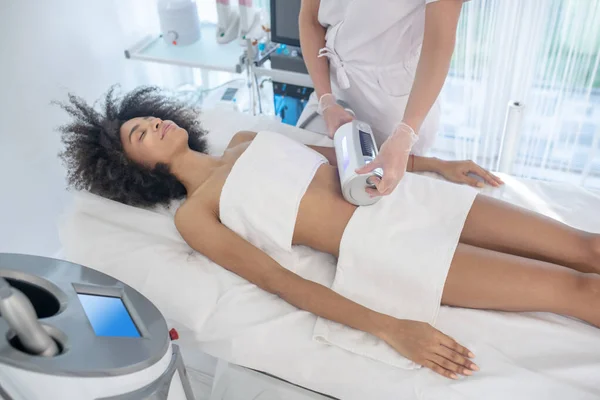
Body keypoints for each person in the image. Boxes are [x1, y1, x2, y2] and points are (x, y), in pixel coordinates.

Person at [57, 87, 600, 380]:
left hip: (409, 199)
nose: (153, 125)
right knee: (577, 290)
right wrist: (390, 327)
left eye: (147, 119)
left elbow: (353, 160)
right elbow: (280, 283)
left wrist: (437, 165)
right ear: (136, 168)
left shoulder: (247, 139)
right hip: (398, 250)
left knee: (588, 246)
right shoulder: (196, 216)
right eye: (139, 135)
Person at [298, 0, 489, 196]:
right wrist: (326, 100)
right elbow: (311, 20)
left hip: (397, 110)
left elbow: (438, 46)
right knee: (306, 178)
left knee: (377, 197)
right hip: (333, 87)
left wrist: (405, 134)